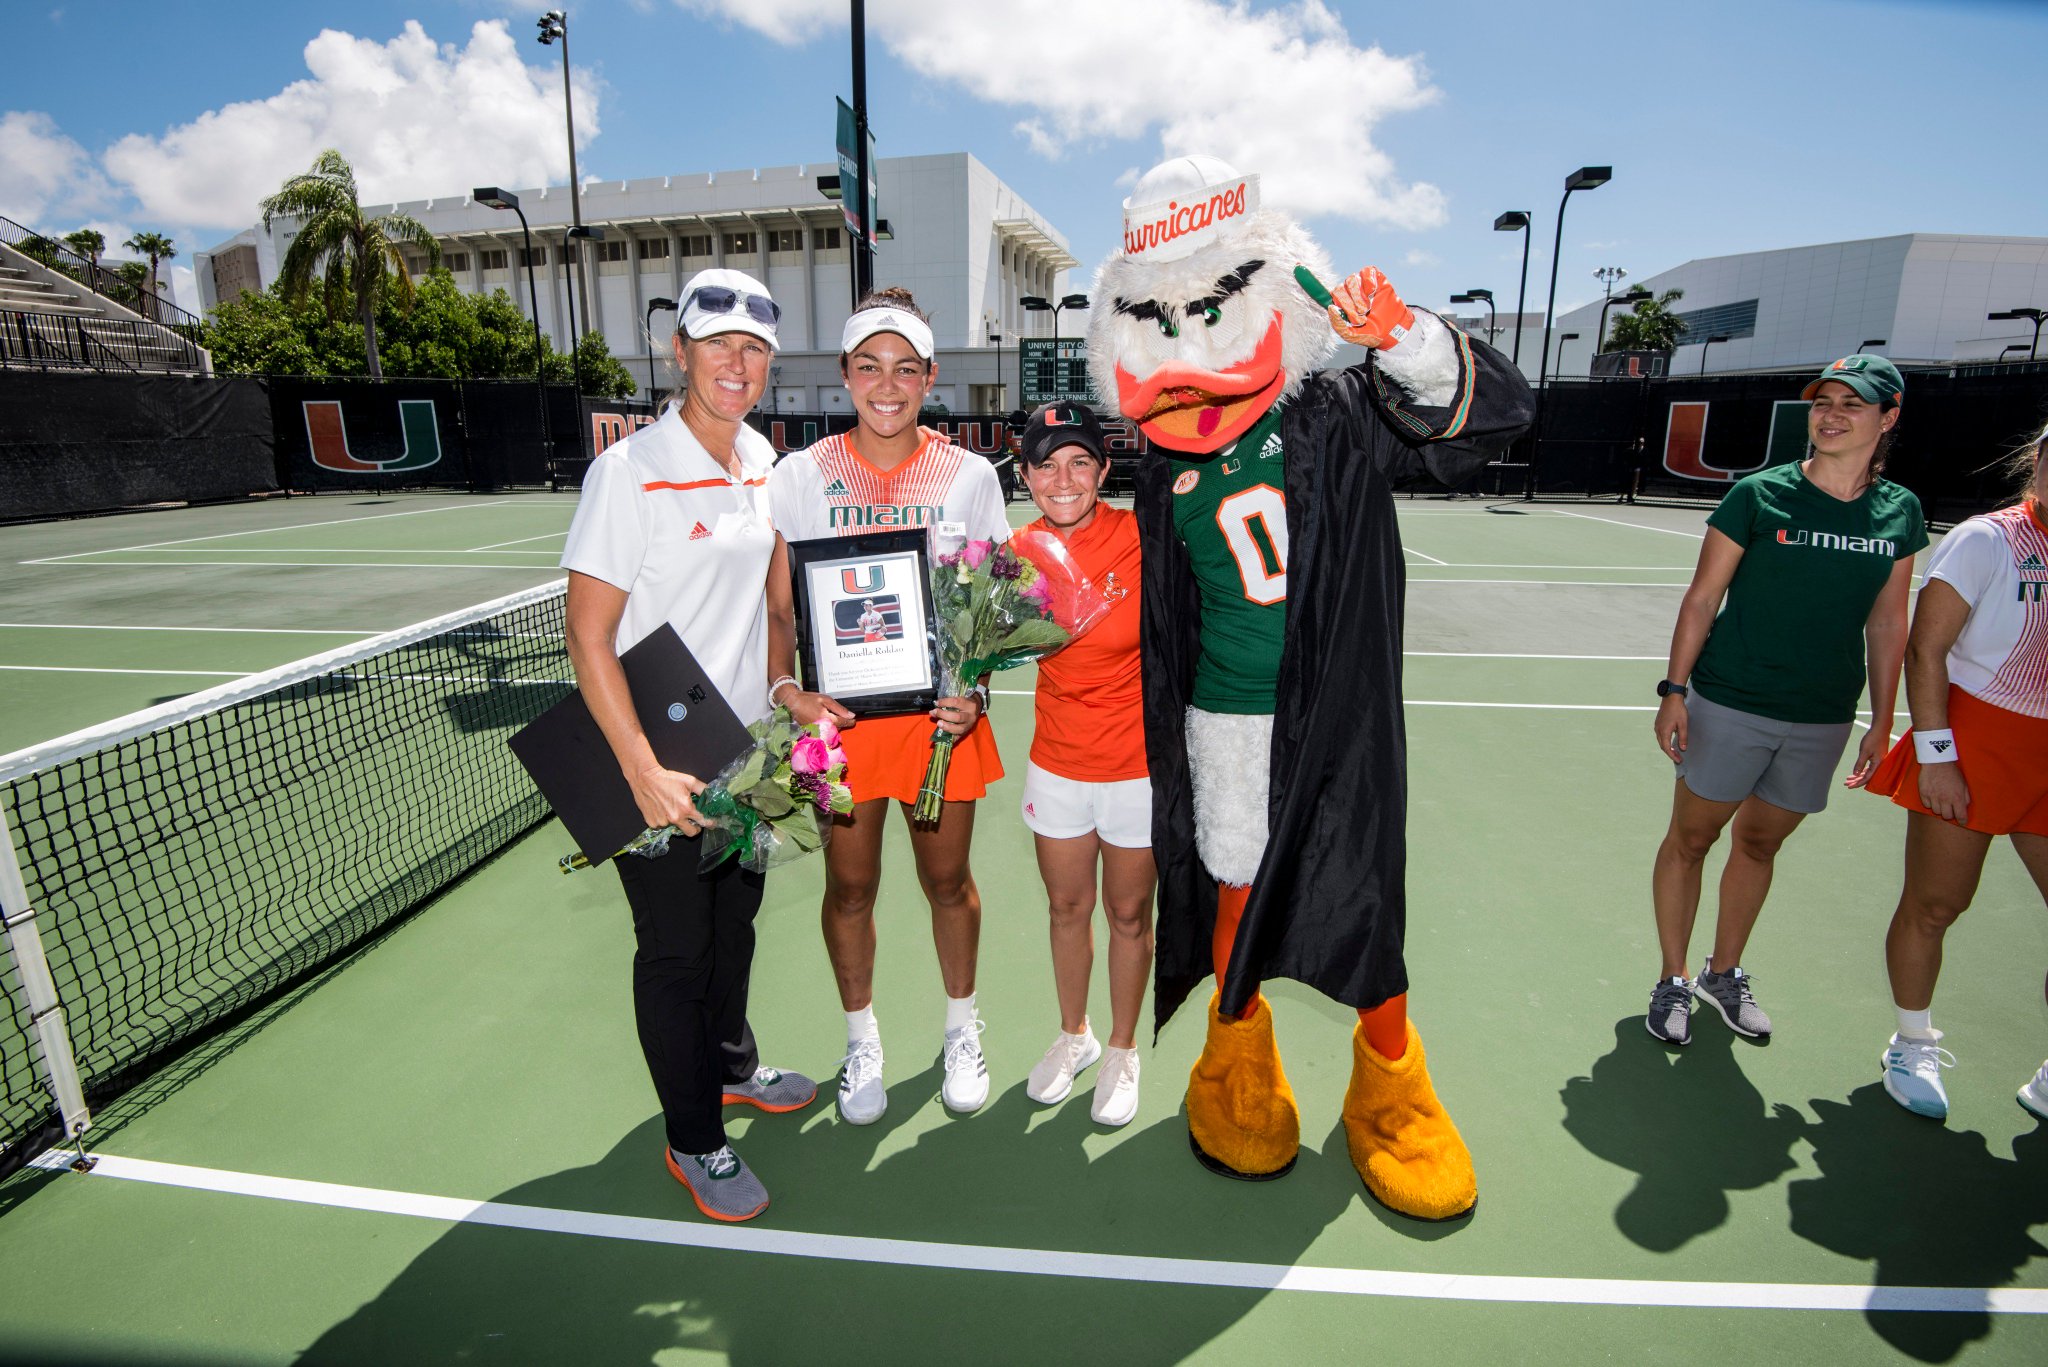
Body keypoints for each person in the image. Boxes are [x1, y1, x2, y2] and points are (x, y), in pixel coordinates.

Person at [1091, 154, 1533, 1220]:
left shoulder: (1333, 411)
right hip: (1219, 720)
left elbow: (1476, 430)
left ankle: (1393, 1090)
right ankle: (1234, 1064)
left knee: (1360, 897)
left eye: (1211, 309)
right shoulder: (1156, 461)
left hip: (1332, 712)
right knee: (1233, 894)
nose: (1190, 344)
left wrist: (1407, 343)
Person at [559, 268, 817, 1224]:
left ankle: (734, 1067)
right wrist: (639, 766)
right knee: (677, 950)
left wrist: (783, 690)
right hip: (658, 761)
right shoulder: (628, 472)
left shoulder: (762, 459)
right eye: (718, 345)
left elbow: (774, 606)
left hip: (745, 755)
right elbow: (588, 636)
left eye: (753, 349)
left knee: (736, 922)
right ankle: (694, 1139)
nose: (736, 364)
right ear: (680, 352)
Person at [767, 288, 1010, 1124]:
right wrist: (787, 690)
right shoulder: (797, 476)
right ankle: (861, 1039)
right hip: (842, 727)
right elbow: (779, 608)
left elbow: (992, 602)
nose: (887, 383)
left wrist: (974, 692)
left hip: (939, 725)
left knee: (948, 882)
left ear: (930, 377)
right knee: (851, 887)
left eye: (906, 368)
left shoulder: (970, 475)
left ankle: (960, 1025)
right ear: (843, 374)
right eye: (869, 365)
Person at [1647, 354, 1926, 1046]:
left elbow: (1890, 622)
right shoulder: (1758, 495)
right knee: (1692, 837)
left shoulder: (1901, 511)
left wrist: (1882, 720)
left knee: (1762, 841)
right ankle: (1673, 976)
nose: (1830, 415)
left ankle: (1725, 971)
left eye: (1851, 405)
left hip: (1823, 714)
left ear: (1888, 419)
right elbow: (1703, 597)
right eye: (1823, 401)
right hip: (1731, 698)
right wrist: (1675, 690)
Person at [1866, 422, 2048, 1121]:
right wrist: (1938, 756)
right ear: (2037, 457)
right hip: (1975, 742)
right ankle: (1911, 1042)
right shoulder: (1988, 538)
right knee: (1937, 904)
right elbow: (1926, 650)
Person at [1014, 401, 1154, 1126]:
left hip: (1138, 768)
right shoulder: (1011, 554)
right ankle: (1076, 1034)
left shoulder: (1141, 535)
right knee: (1066, 907)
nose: (1062, 478)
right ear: (1028, 475)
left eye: (1079, 462)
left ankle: (1124, 1048)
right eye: (1046, 463)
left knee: (1129, 913)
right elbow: (977, 646)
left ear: (1103, 469)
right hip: (1058, 764)